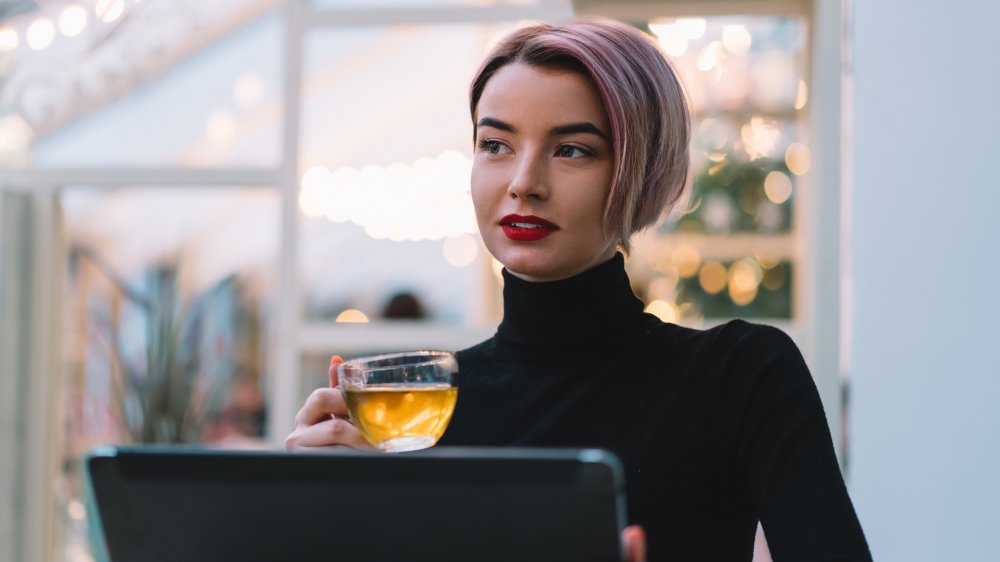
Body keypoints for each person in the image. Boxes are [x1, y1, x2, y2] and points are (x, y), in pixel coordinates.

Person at [285, 18, 872, 562]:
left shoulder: (741, 375)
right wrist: (309, 519)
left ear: (642, 173)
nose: (523, 183)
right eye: (496, 144)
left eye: (572, 150)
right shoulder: (421, 417)